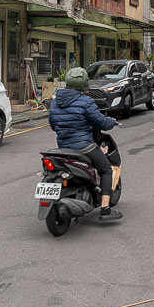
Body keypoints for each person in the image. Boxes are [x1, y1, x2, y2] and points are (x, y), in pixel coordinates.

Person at [48, 67, 123, 221]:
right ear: (84, 85)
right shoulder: (86, 101)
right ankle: (105, 209)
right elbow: (101, 122)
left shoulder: (55, 102)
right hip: (84, 147)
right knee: (107, 170)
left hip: (63, 148)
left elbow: (54, 125)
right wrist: (112, 122)